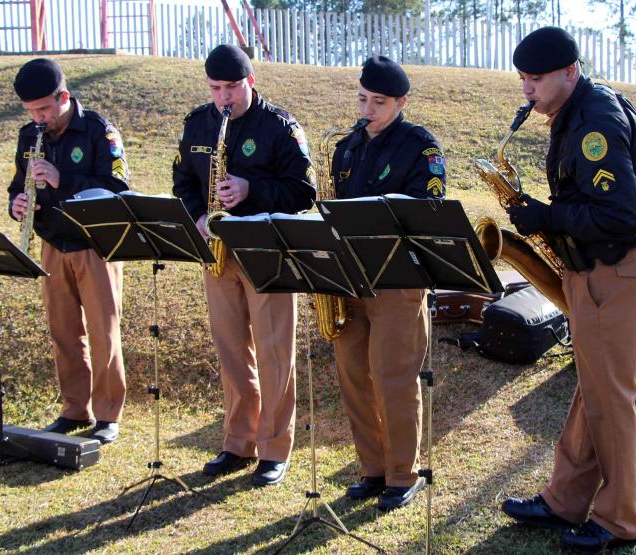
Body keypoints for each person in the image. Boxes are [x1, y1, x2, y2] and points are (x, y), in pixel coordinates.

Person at [499, 27, 636, 552]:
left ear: (570, 71)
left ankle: (618, 521)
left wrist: (547, 215)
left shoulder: (594, 121)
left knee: (610, 399)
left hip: (611, 269)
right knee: (591, 390)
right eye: (523, 79)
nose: (528, 89)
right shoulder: (574, 111)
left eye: (538, 79)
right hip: (593, 268)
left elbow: (620, 214)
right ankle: (564, 500)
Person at [172, 45, 316, 486]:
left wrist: (250, 188)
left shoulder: (279, 126)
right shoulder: (198, 122)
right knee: (231, 352)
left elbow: (303, 192)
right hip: (217, 254)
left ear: (249, 82)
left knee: (274, 355)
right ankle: (238, 443)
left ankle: (274, 450)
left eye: (231, 87)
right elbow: (182, 181)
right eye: (215, 88)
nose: (223, 98)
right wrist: (197, 213)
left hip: (268, 252)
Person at [329, 55, 447, 511]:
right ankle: (372, 469)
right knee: (354, 375)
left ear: (401, 102)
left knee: (393, 376)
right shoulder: (347, 147)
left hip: (398, 279)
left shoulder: (421, 147)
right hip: (349, 277)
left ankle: (403, 473)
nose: (367, 110)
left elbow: (429, 208)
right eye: (362, 99)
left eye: (379, 102)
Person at [7, 58, 129, 444]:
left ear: (64, 96)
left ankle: (108, 414)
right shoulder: (29, 136)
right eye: (31, 111)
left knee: (102, 332)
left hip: (95, 246)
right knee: (64, 332)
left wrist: (62, 179)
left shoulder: (98, 130)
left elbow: (117, 188)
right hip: (53, 244)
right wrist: (17, 204)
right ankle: (75, 409)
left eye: (44, 109)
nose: (38, 118)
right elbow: (17, 184)